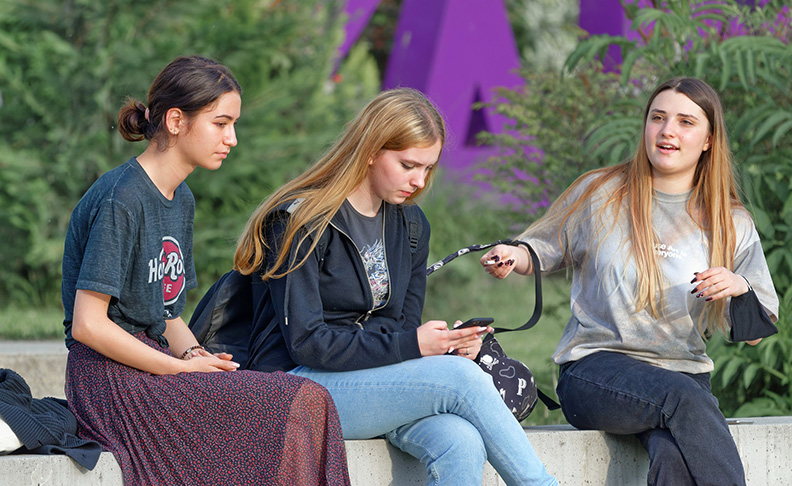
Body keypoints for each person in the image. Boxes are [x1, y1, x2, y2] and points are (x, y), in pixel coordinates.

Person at [233, 87, 558, 486]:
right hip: (297, 385)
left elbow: (401, 326)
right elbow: (306, 342)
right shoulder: (301, 222)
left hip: (369, 381)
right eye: (408, 165)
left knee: (461, 441)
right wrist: (415, 347)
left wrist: (445, 343)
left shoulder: (411, 226)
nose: (419, 181)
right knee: (461, 379)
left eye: (428, 169)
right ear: (371, 150)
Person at [62, 55, 350, 485]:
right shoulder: (121, 198)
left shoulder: (181, 198)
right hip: (108, 380)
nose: (231, 138)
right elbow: (87, 325)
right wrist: (180, 370)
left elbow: (167, 313)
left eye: (233, 124)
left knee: (308, 400)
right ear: (176, 121)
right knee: (301, 398)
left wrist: (197, 356)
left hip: (154, 364)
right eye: (220, 123)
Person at [480, 77, 779, 486]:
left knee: (674, 456)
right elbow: (539, 250)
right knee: (684, 399)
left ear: (709, 139)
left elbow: (756, 334)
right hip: (595, 371)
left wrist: (739, 286)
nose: (667, 130)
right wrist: (512, 256)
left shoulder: (732, 222)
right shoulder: (600, 192)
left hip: (683, 376)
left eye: (685, 122)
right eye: (658, 118)